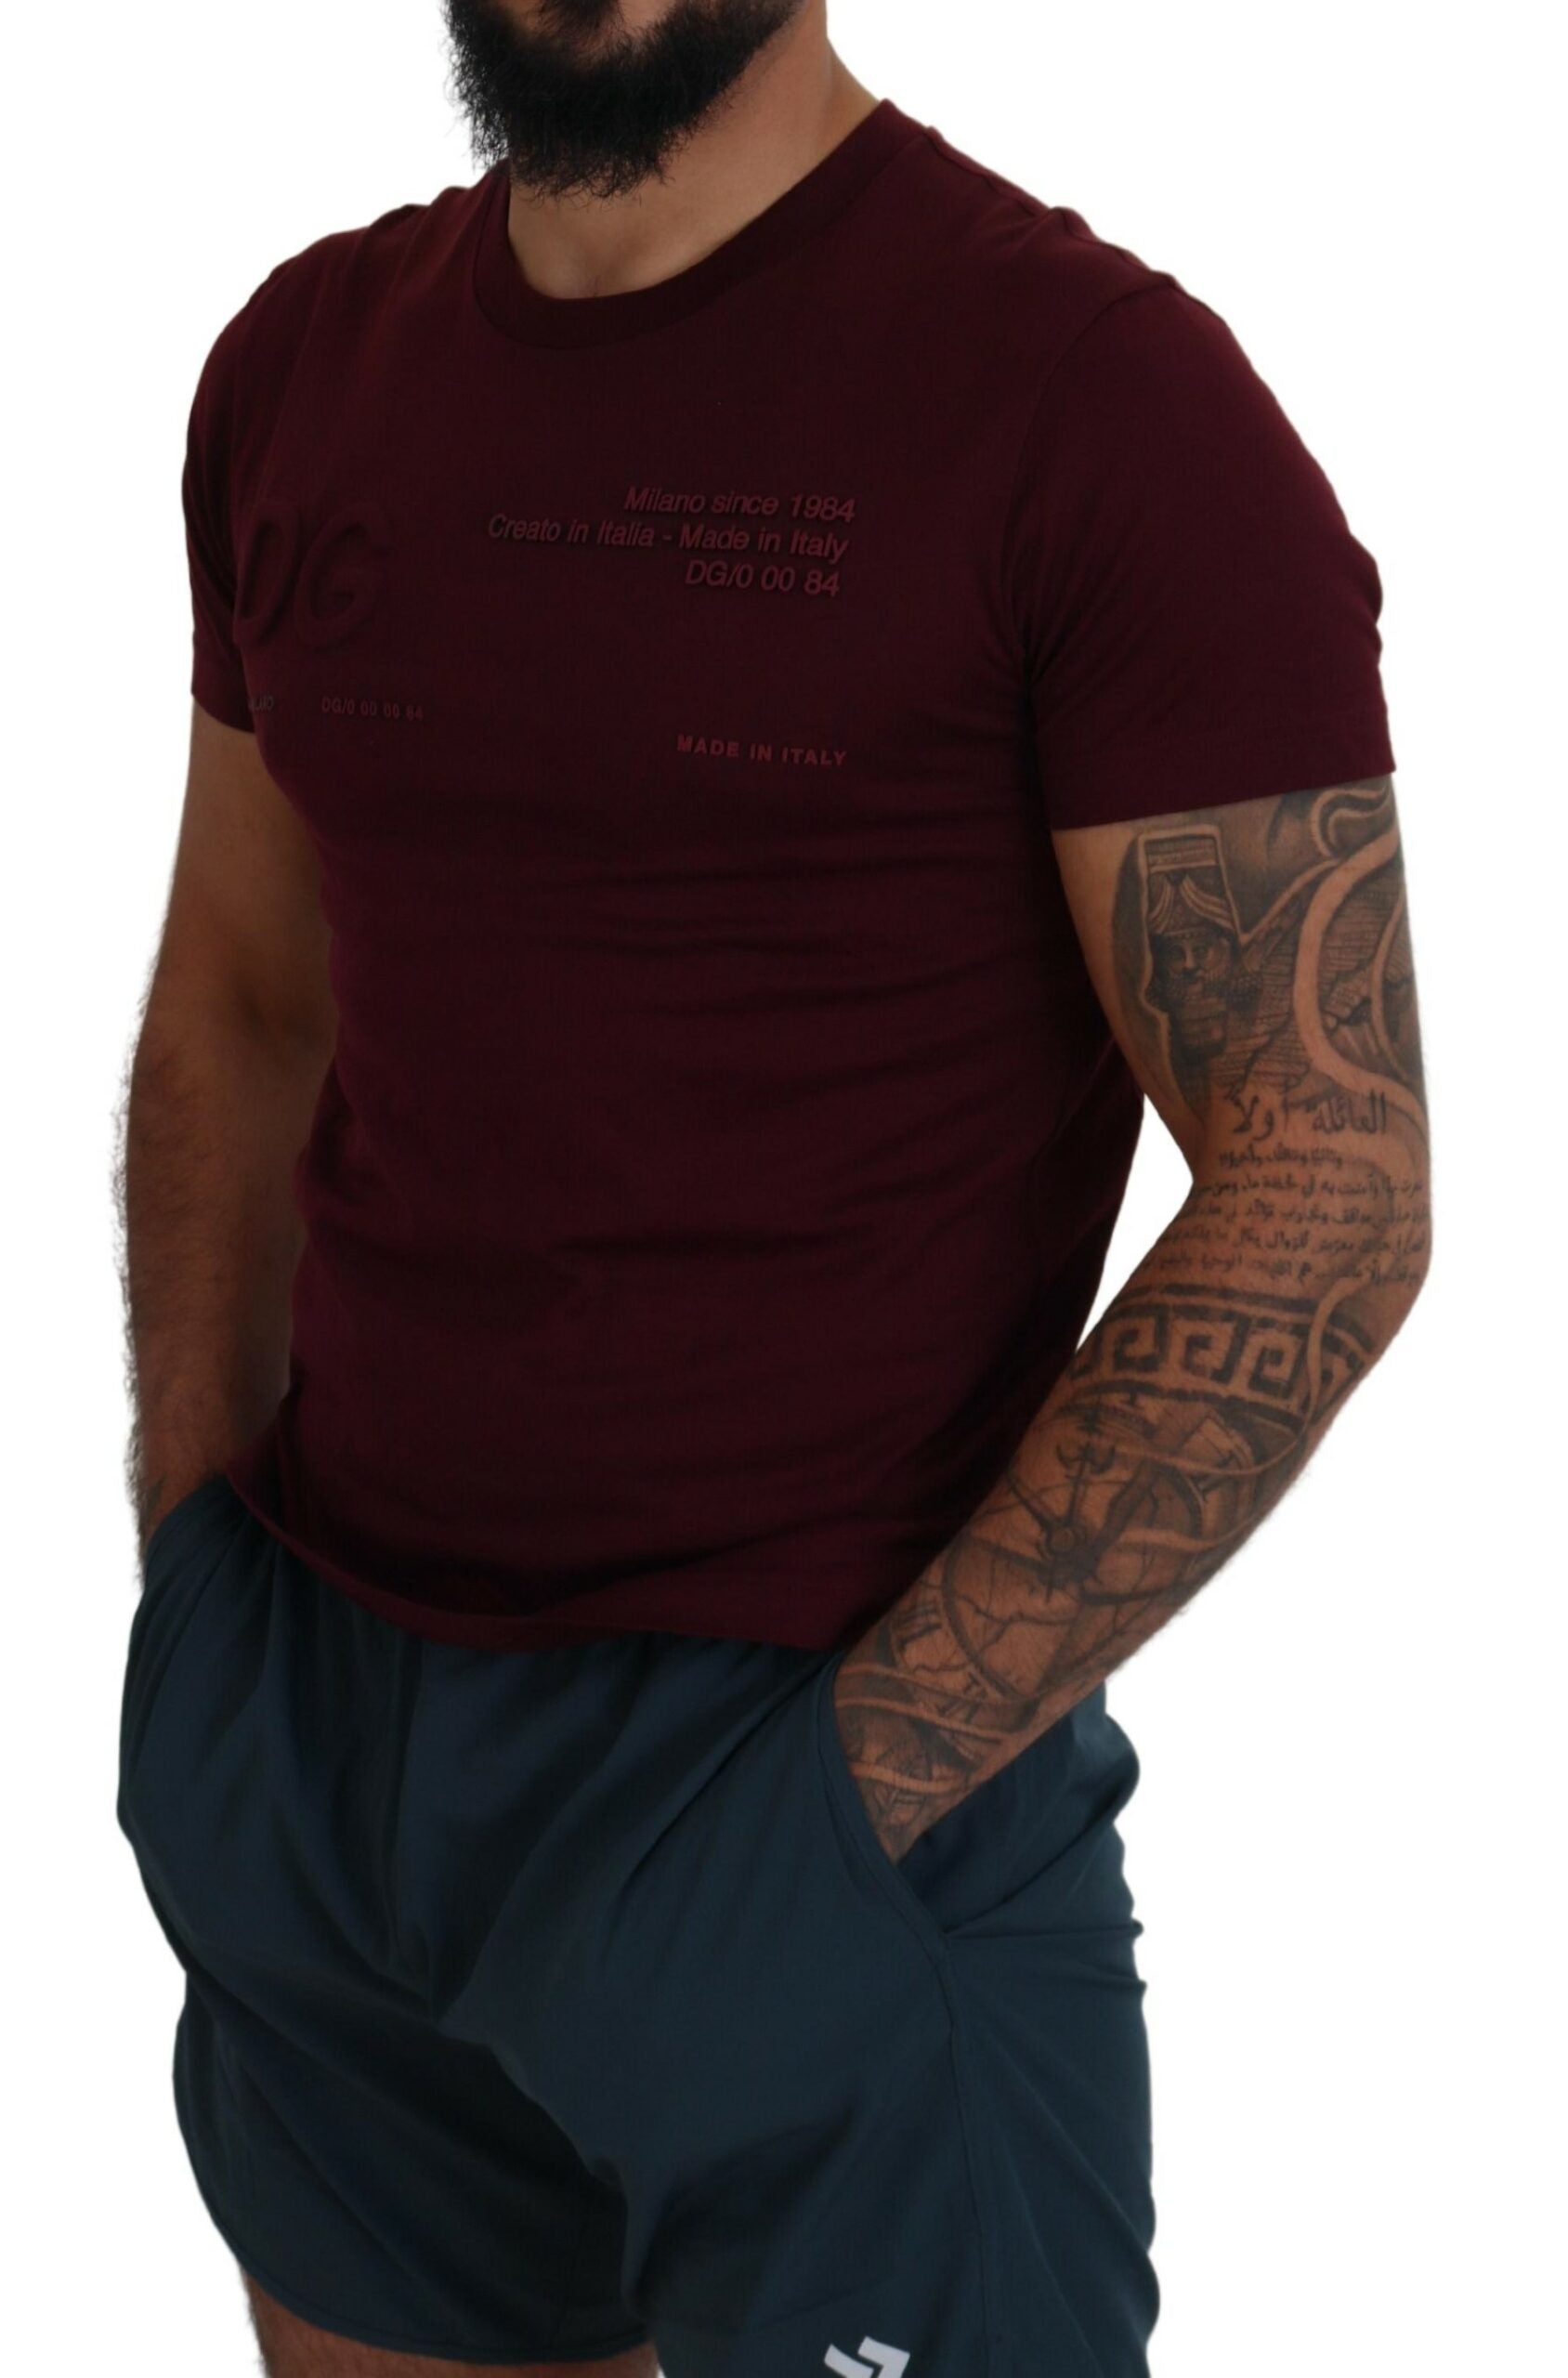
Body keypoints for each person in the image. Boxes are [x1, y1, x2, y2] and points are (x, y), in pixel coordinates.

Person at [113, 2, 1432, 2371]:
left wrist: (860, 1788)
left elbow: (1326, 1168)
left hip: (806, 1762)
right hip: (325, 1736)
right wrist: (199, 1577)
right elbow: (243, 990)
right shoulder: (304, 365)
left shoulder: (1098, 406)